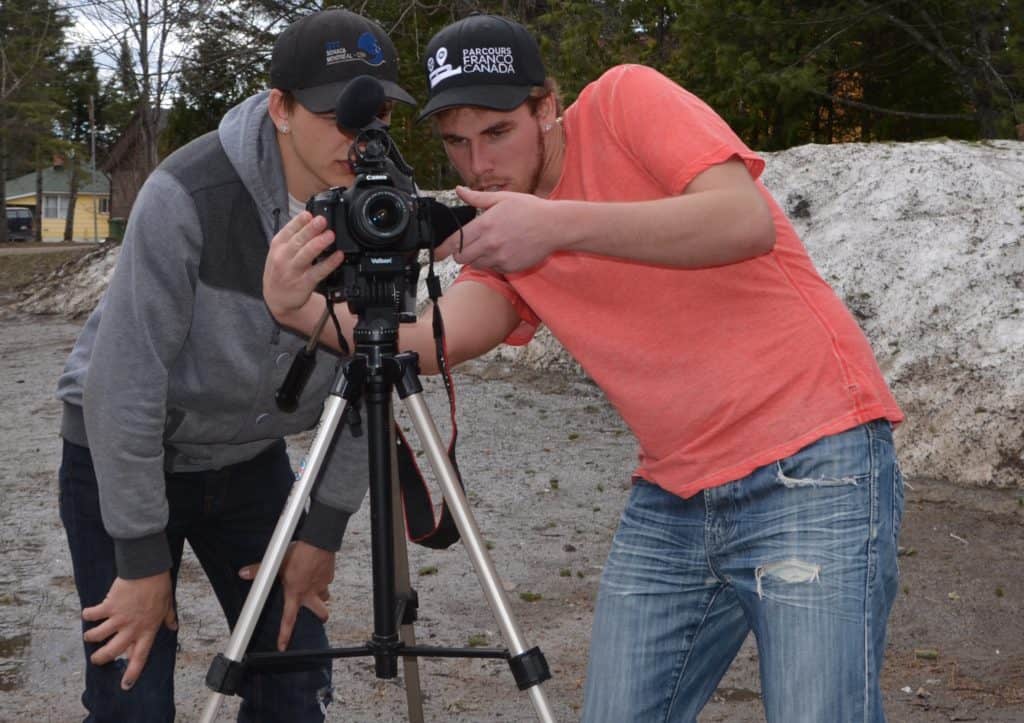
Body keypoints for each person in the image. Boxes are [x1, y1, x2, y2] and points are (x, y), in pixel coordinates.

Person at [263, 13, 906, 723]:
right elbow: (437, 338)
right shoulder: (502, 227)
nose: (479, 165)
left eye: (499, 132)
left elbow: (742, 219)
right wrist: (300, 311)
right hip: (677, 492)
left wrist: (556, 223)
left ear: (546, 106)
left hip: (810, 461)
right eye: (456, 143)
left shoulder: (626, 100)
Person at [55, 8, 417, 721]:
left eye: (373, 113)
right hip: (122, 453)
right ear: (279, 108)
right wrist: (139, 560)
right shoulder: (187, 195)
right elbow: (123, 383)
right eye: (337, 113)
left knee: (291, 672)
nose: (360, 134)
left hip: (248, 461)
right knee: (134, 691)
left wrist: (321, 533)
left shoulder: (382, 210)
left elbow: (371, 380)